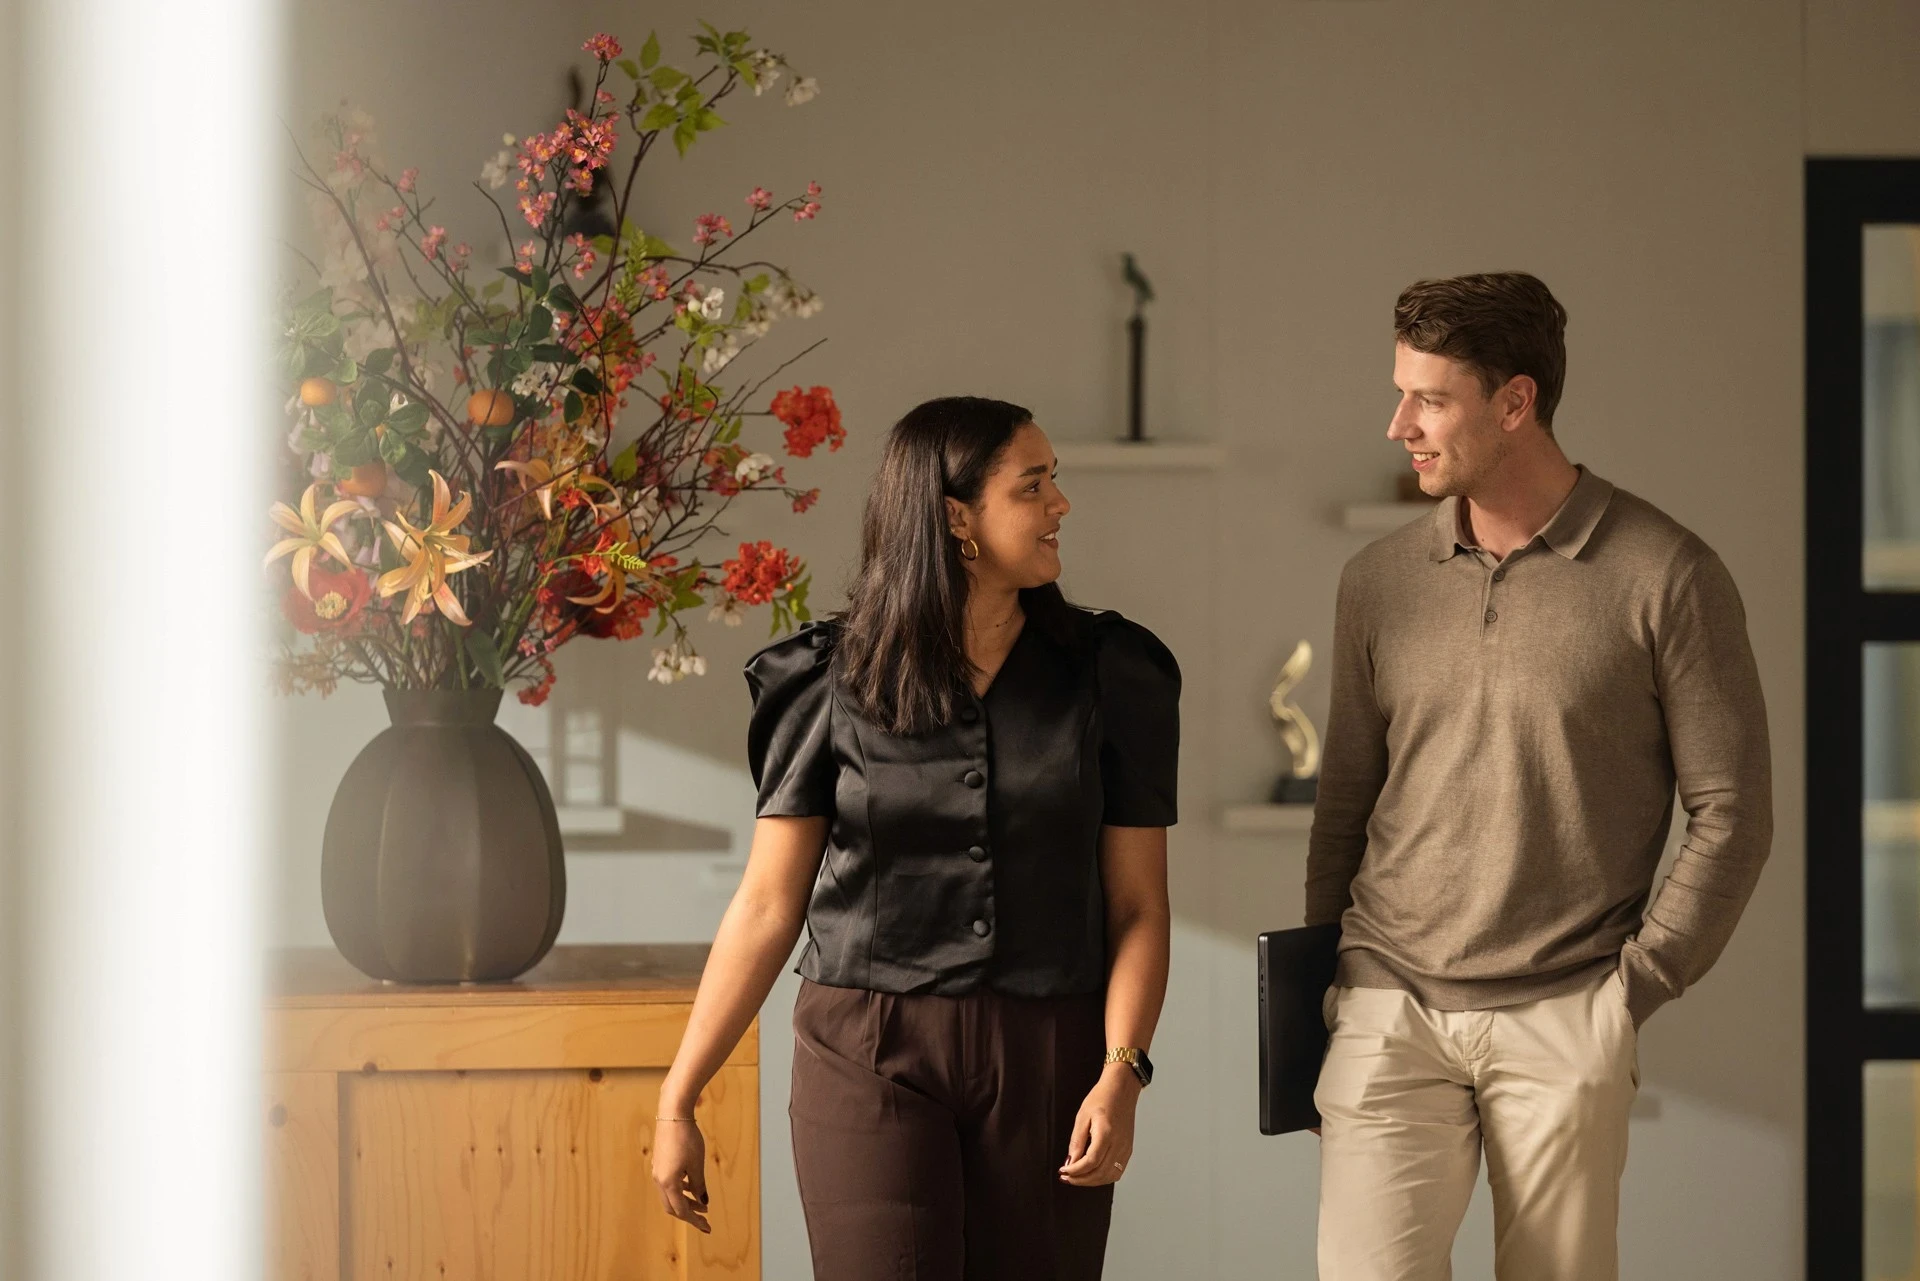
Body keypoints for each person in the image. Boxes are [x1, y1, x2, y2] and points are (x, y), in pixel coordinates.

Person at [1306, 272, 1773, 1280]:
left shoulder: (1666, 575)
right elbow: (1347, 796)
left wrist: (1632, 991)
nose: (1399, 425)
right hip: (1390, 1001)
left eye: (1429, 398)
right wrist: (1331, 984)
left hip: (1567, 1009)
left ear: (1515, 403)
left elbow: (1733, 810)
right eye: (1401, 392)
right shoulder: (1377, 582)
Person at [650, 395, 1180, 1281]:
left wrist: (1122, 1070)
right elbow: (768, 902)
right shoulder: (824, 677)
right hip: (865, 1047)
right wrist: (680, 1094)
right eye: (1034, 485)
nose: (1061, 505)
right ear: (954, 517)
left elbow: (1138, 905)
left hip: (1049, 1052)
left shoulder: (1113, 674)